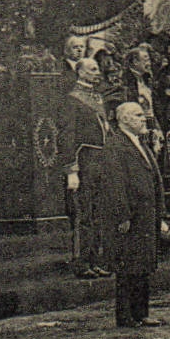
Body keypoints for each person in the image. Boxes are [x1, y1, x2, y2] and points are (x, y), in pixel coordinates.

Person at [100, 101, 170, 328]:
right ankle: (127, 315)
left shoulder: (140, 143)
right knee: (128, 265)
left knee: (143, 264)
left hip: (146, 214)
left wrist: (160, 214)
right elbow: (115, 183)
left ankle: (141, 312)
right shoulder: (115, 145)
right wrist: (123, 215)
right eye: (138, 115)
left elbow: (154, 178)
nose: (144, 119)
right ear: (125, 119)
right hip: (132, 217)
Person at [60, 57, 109, 277]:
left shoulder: (97, 96)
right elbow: (67, 136)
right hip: (84, 160)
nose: (97, 72)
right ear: (80, 72)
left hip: (100, 159)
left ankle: (95, 260)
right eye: (92, 69)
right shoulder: (72, 99)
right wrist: (72, 169)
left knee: (98, 212)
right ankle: (81, 263)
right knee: (84, 213)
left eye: (97, 69)